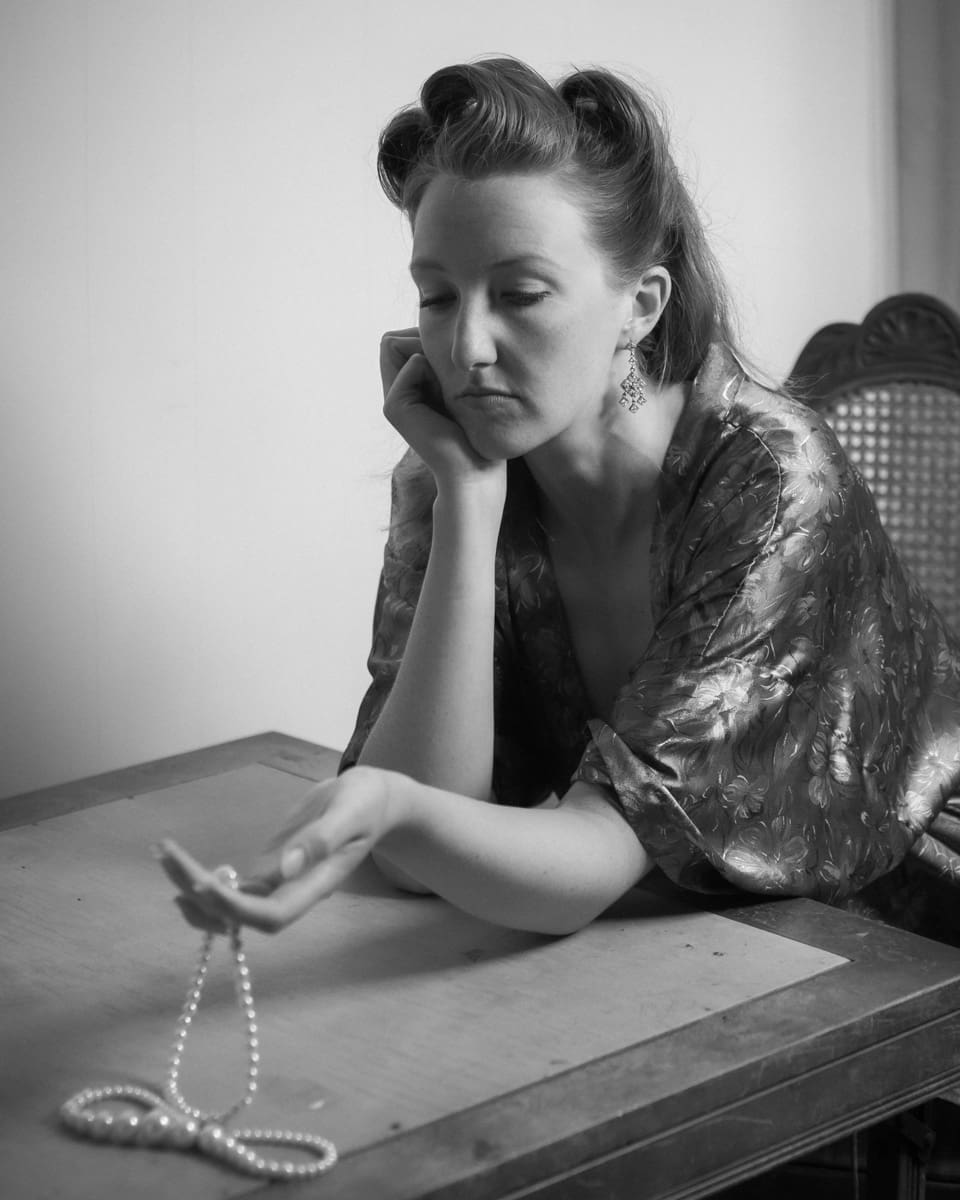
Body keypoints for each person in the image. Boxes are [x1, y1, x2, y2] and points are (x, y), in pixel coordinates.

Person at [159, 56, 960, 945]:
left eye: (520, 294)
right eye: (437, 295)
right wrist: (468, 501)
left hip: (884, 937)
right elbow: (416, 867)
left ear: (640, 306)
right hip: (677, 935)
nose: (466, 346)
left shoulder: (769, 480)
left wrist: (391, 807)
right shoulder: (458, 469)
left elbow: (583, 862)